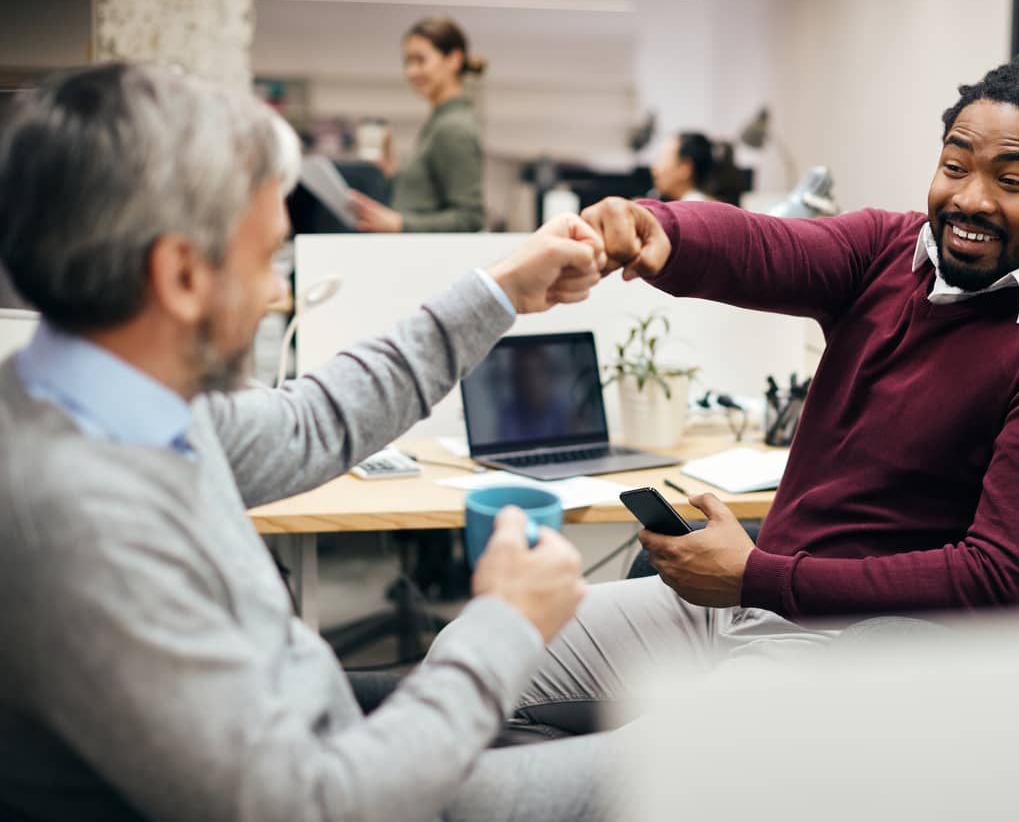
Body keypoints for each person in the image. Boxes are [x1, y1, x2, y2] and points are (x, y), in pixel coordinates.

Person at [0, 63, 620, 821]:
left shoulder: (122, 402)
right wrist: (506, 625)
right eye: (267, 258)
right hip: (340, 793)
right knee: (690, 766)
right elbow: (309, 807)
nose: (275, 292)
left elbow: (313, 421)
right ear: (183, 275)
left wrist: (500, 291)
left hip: (322, 746)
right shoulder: (75, 522)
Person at [510, 62, 1019, 734]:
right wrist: (655, 228)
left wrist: (760, 579)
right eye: (955, 167)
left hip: (853, 653)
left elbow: (997, 582)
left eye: (1010, 181)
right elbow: (767, 248)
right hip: (746, 599)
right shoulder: (888, 251)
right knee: (490, 660)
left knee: (658, 774)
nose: (971, 199)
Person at [350, 16, 486, 233]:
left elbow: (470, 218)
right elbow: (426, 202)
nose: (411, 72)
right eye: (408, 62)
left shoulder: (454, 128)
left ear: (454, 60)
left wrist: (400, 224)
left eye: (420, 60)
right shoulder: (438, 122)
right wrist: (391, 173)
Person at [649, 131, 743, 205]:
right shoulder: (706, 206)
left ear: (684, 168)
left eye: (662, 159)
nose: (654, 169)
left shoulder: (690, 212)